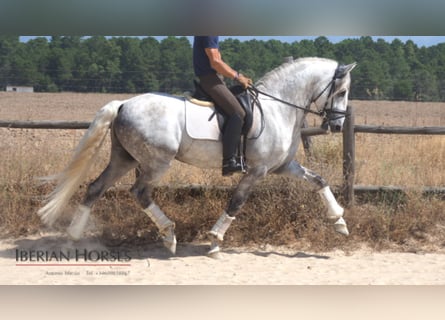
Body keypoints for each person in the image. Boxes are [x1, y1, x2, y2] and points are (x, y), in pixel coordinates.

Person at [192, 36, 253, 176]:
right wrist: (237, 76)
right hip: (210, 80)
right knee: (238, 112)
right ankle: (228, 161)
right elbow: (215, 62)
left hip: (215, 78)